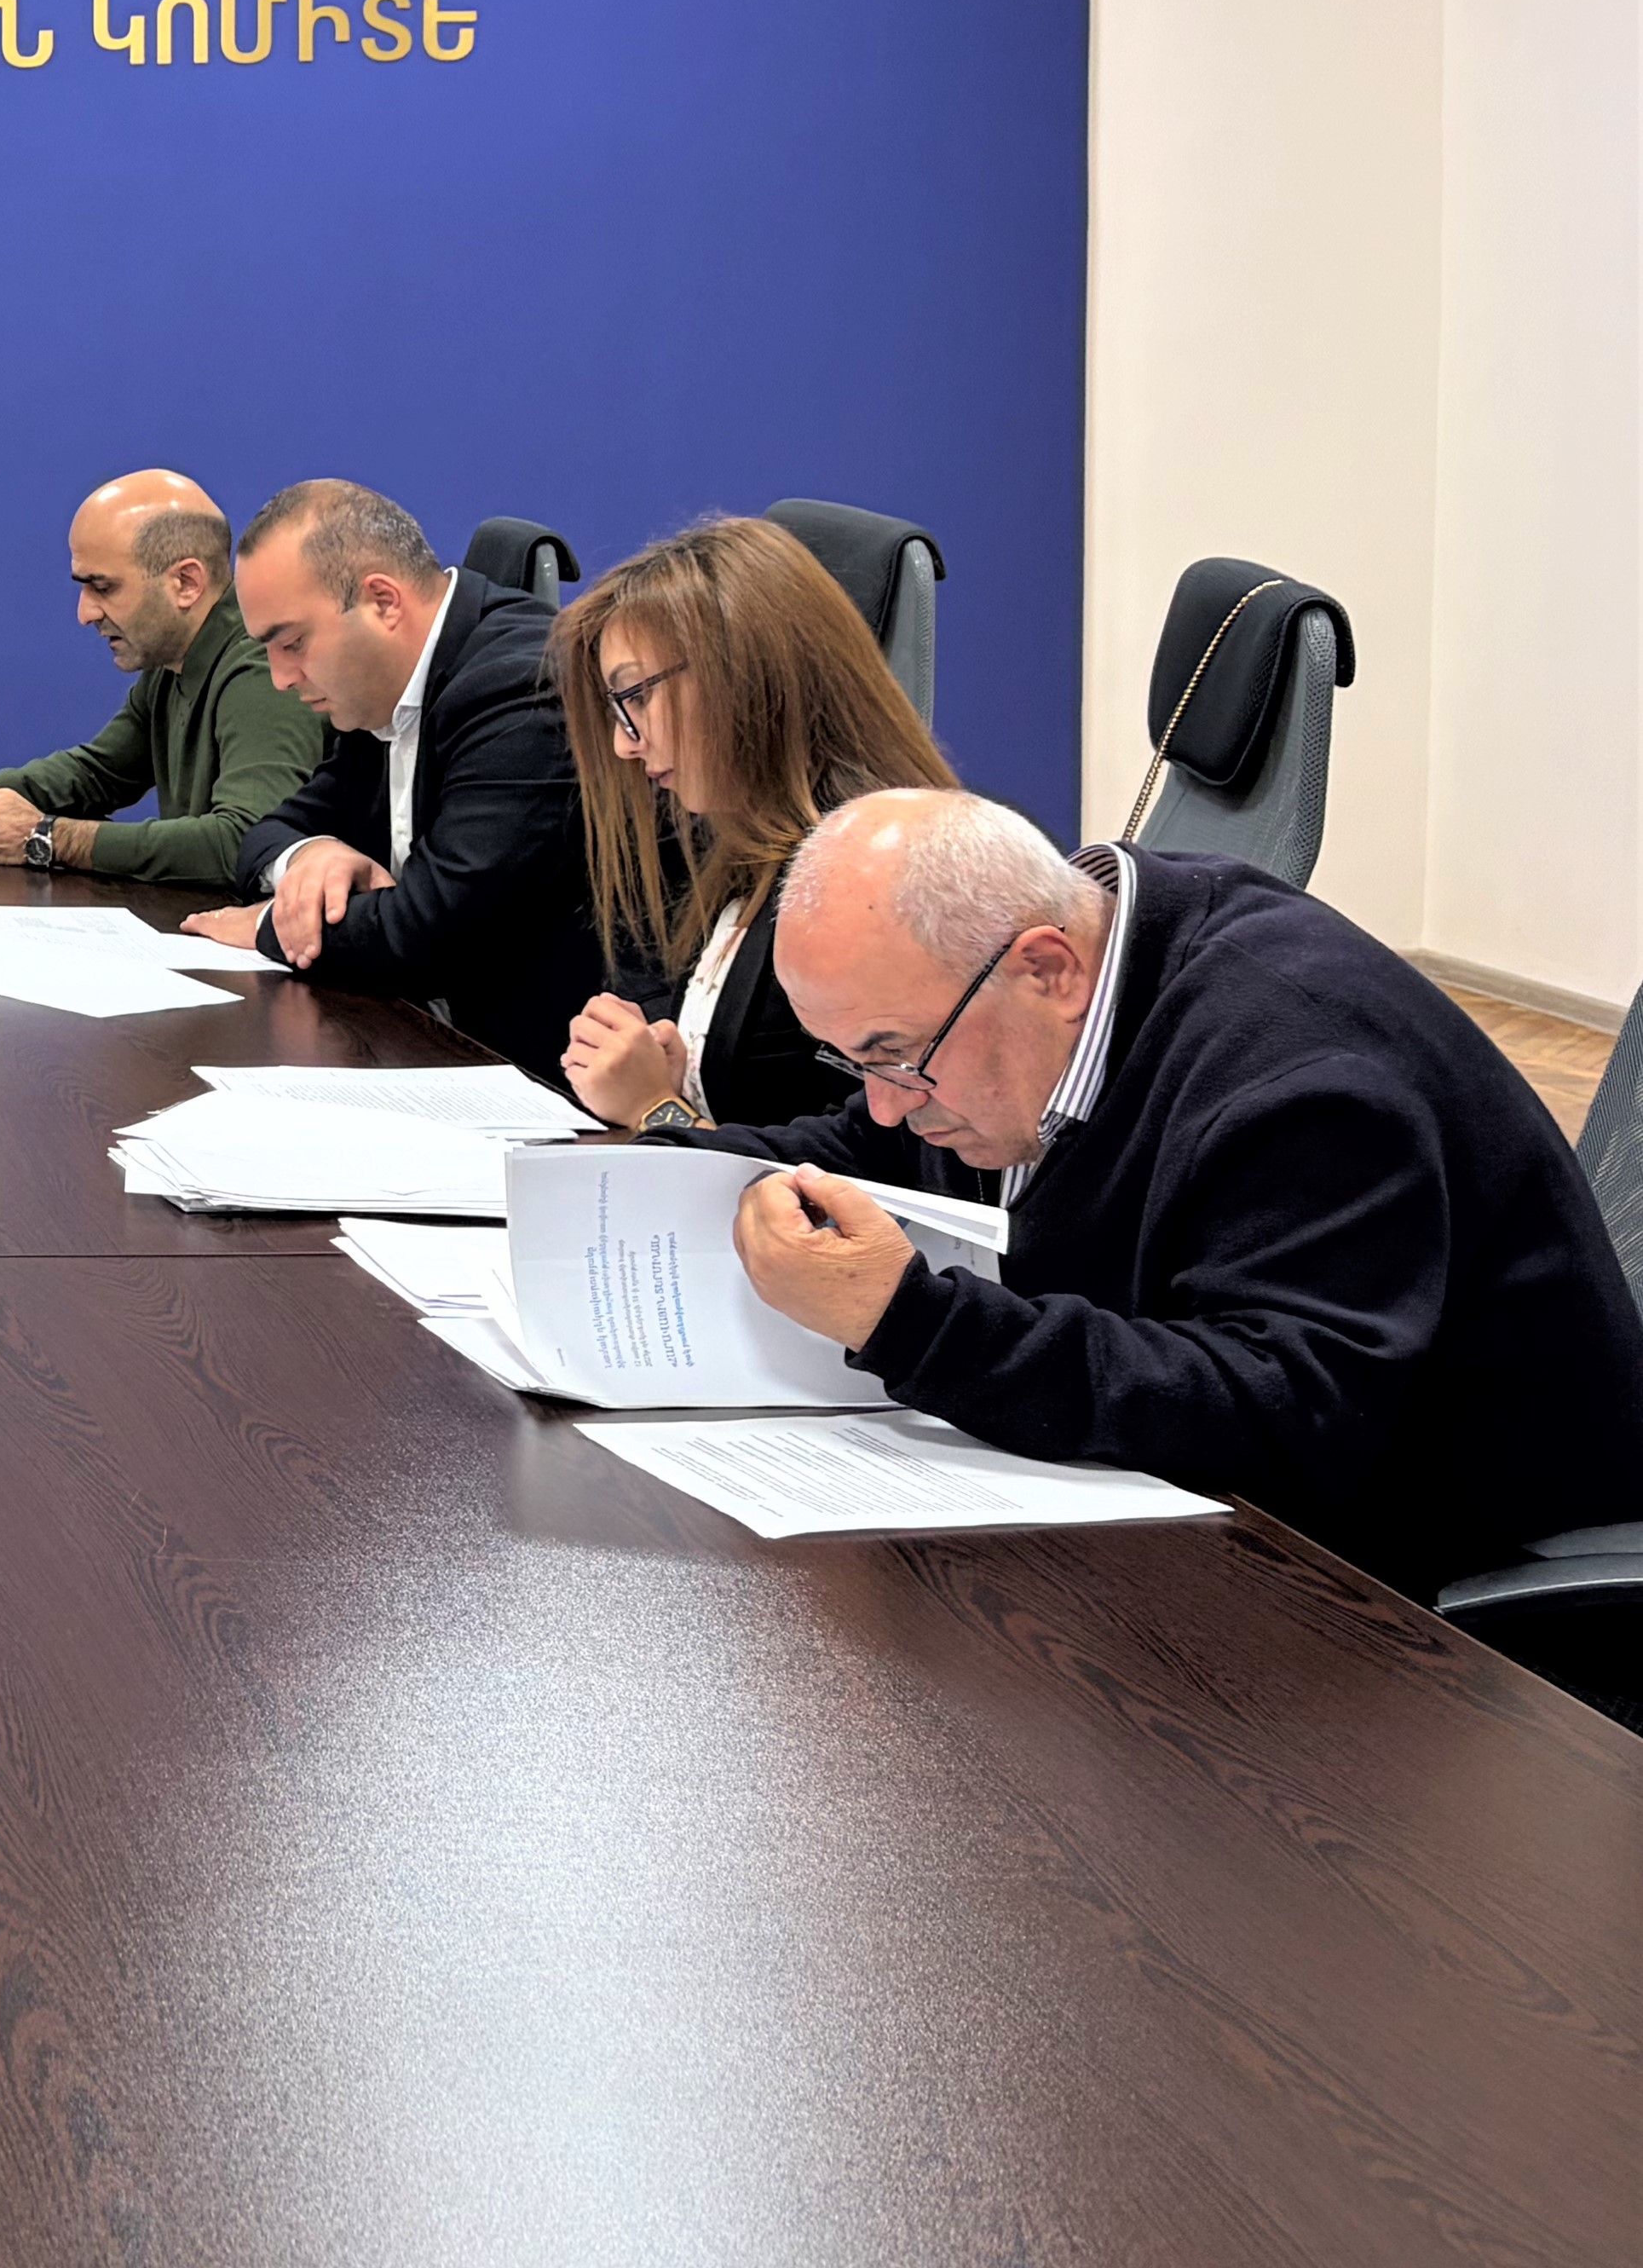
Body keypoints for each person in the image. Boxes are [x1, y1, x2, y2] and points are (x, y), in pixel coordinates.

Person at [693, 788, 1643, 1599]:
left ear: (1048, 969)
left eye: (896, 1056)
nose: (886, 1103)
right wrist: (674, 1160)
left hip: (1436, 1584)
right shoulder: (1039, 981)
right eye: (856, 1061)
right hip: (1208, 1523)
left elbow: (1278, 1419)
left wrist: (907, 1323)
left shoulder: (1305, 1079)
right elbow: (870, 1145)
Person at [547, 518, 956, 1138]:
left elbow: (872, 1169)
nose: (623, 745)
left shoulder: (878, 889)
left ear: (740, 673)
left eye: (636, 697)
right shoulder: (723, 837)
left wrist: (656, 1110)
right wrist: (668, 1071)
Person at [187, 479, 591, 1077]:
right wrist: (312, 854)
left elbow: (428, 935)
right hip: (422, 1045)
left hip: (540, 1081)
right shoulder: (376, 688)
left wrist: (271, 924)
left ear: (382, 601)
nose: (280, 678)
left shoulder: (521, 685)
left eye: (292, 643)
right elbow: (268, 834)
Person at [0, 469, 320, 884]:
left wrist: (46, 838)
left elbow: (248, 842)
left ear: (186, 583)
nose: (85, 613)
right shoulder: (174, 660)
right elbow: (101, 772)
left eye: (103, 587)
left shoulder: (261, 670)